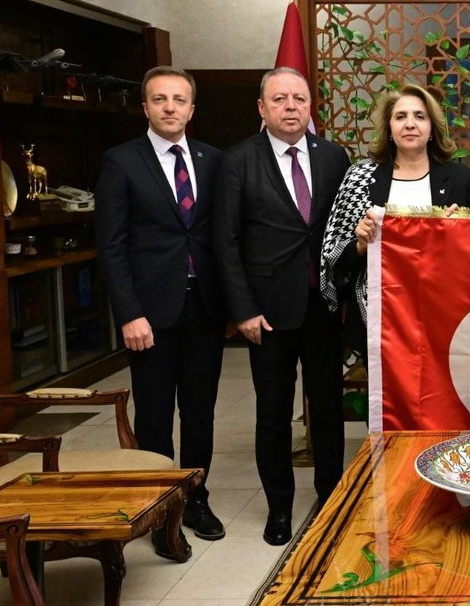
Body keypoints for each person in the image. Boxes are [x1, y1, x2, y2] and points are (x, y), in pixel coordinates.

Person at [213, 66, 351, 546]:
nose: (290, 107)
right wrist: (243, 310)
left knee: (328, 406)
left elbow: (342, 230)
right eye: (279, 99)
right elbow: (226, 242)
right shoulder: (238, 161)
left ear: (310, 106)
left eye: (299, 99)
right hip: (267, 311)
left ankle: (331, 497)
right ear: (262, 107)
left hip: (324, 305)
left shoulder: (334, 156)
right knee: (272, 411)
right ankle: (279, 508)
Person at [95, 66, 226, 553]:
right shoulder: (121, 161)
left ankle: (195, 497)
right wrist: (128, 313)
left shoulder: (213, 161)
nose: (170, 107)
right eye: (159, 99)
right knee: (154, 414)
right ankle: (158, 507)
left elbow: (221, 235)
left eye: (179, 99)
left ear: (192, 109)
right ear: (145, 107)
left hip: (205, 307)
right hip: (149, 314)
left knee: (200, 412)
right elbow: (111, 245)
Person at [320, 83, 470, 351]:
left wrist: (460, 232)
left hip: (444, 316)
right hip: (378, 319)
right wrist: (360, 244)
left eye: (419, 116)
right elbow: (333, 259)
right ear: (389, 128)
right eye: (400, 116)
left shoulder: (459, 179)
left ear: (432, 128)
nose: (410, 124)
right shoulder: (360, 178)